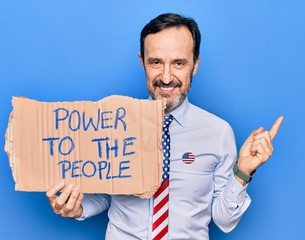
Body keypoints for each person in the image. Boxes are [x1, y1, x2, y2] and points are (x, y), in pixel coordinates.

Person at [46, 13, 284, 239]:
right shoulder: (113, 122)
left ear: (195, 64)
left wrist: (242, 172)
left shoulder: (218, 133)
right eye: (156, 62)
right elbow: (105, 195)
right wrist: (76, 207)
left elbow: (224, 220)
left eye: (179, 63)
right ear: (142, 62)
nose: (167, 77)